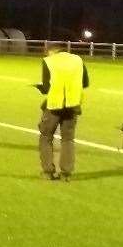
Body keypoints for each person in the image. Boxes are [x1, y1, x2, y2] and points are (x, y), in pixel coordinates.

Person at [34, 42, 90, 181]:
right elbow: (86, 82)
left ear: (52, 51)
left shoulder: (49, 61)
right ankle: (66, 174)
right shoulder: (78, 60)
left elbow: (47, 87)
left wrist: (41, 88)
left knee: (46, 137)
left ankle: (48, 171)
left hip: (54, 105)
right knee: (68, 140)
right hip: (73, 105)